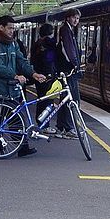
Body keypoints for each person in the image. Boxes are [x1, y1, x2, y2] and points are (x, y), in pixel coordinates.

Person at [0, 15, 46, 157]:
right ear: (1, 27)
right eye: (9, 28)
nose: (12, 31)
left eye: (13, 28)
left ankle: (22, 147)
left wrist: (33, 74)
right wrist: (15, 76)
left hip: (11, 88)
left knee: (16, 118)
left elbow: (21, 61)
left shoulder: (12, 43)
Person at [56, 8, 82, 139]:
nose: (76, 20)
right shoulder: (65, 30)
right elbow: (68, 49)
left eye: (77, 18)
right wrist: (75, 64)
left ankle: (61, 126)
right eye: (74, 18)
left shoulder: (67, 30)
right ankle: (68, 128)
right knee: (72, 98)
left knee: (65, 97)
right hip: (68, 71)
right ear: (68, 18)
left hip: (66, 70)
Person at [30, 23, 58, 135]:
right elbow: (50, 60)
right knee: (48, 101)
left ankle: (41, 122)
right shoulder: (49, 44)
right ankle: (44, 125)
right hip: (47, 76)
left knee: (41, 99)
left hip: (38, 74)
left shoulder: (37, 43)